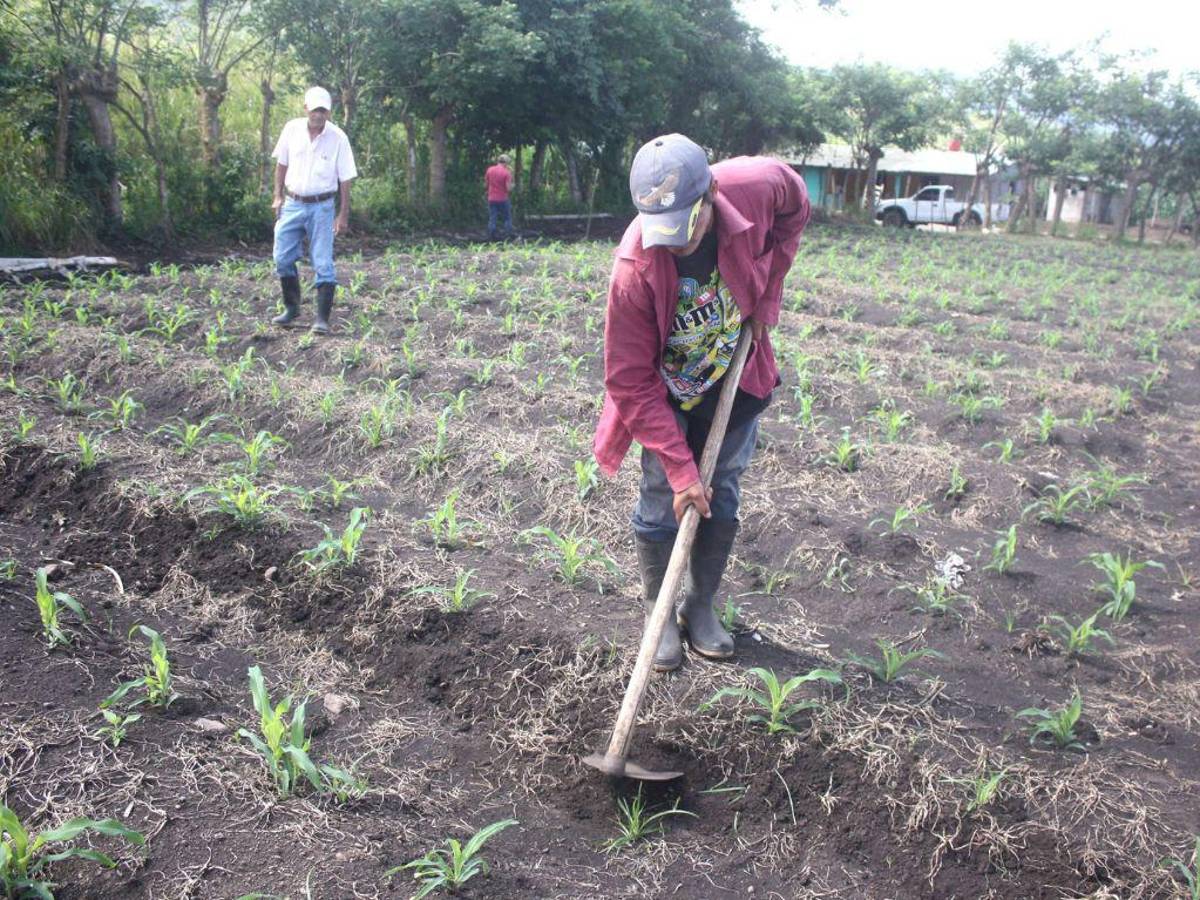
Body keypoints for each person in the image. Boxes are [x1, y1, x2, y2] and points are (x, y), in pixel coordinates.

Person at [593, 134, 810, 672]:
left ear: (710, 194)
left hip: (736, 376)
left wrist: (768, 295)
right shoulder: (634, 268)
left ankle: (701, 604)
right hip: (667, 391)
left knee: (725, 488)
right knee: (661, 493)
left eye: (686, 225)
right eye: (661, 229)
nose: (675, 243)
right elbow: (629, 381)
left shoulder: (759, 185)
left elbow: (796, 208)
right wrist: (680, 468)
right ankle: (659, 610)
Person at [270, 86, 357, 334]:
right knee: (282, 257)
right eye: (314, 109)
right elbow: (281, 164)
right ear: (305, 108)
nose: (318, 115)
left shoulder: (338, 138)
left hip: (322, 206)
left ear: (329, 112)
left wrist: (343, 214)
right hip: (293, 203)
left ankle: (321, 319)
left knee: (322, 261)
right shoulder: (291, 129)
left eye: (323, 110)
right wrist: (277, 196)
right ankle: (292, 308)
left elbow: (345, 179)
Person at [485, 153, 515, 240]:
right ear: (506, 163)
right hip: (503, 199)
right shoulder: (507, 173)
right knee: (507, 218)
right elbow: (508, 188)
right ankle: (507, 236)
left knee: (492, 217)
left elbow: (486, 184)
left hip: (491, 198)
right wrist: (513, 185)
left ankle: (491, 236)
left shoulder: (489, 170)